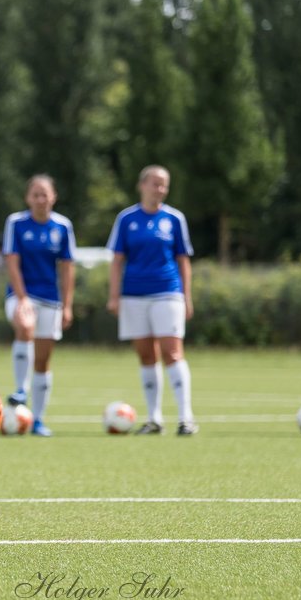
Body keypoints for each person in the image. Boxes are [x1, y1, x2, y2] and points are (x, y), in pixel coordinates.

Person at [106, 165, 198, 435]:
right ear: (142, 185)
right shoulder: (126, 219)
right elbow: (117, 260)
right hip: (133, 295)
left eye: (164, 185)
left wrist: (186, 297)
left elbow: (183, 261)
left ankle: (186, 418)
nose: (159, 189)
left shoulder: (174, 219)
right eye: (154, 183)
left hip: (167, 293)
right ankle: (155, 418)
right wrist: (114, 296)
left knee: (172, 351)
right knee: (146, 355)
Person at [2, 174, 76, 437]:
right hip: (22, 295)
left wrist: (67, 306)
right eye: (35, 194)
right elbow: (12, 262)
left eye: (45, 194)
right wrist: (22, 298)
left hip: (51, 300)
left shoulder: (62, 226)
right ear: (28, 198)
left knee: (43, 362)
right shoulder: (16, 223)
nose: (40, 199)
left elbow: (67, 269)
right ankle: (20, 389)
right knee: (25, 326)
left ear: (53, 197)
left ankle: (38, 420)